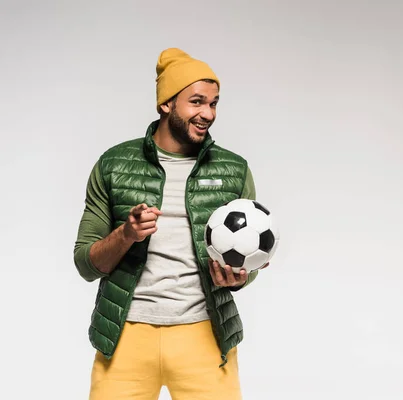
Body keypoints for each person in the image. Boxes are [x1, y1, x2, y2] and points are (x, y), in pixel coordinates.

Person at [73, 47, 267, 400]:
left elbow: (246, 261)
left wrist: (240, 277)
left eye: (213, 103)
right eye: (196, 102)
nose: (207, 113)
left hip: (205, 337)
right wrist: (127, 234)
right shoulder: (114, 165)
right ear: (166, 104)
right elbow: (86, 263)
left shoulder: (233, 170)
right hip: (124, 337)